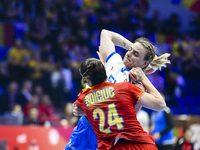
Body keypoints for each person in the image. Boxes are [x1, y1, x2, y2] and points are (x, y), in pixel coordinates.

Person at [65, 29, 170, 150]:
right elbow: (106, 34)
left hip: (103, 135)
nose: (129, 54)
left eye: (136, 54)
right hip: (84, 125)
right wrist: (137, 47)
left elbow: (128, 118)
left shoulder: (136, 85)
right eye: (130, 50)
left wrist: (91, 110)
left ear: (144, 63)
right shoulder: (115, 60)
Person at [74, 58, 166, 150]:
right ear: (104, 72)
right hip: (142, 144)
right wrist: (143, 78)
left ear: (86, 80)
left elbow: (77, 110)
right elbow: (160, 104)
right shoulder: (125, 87)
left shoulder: (83, 98)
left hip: (116, 147)